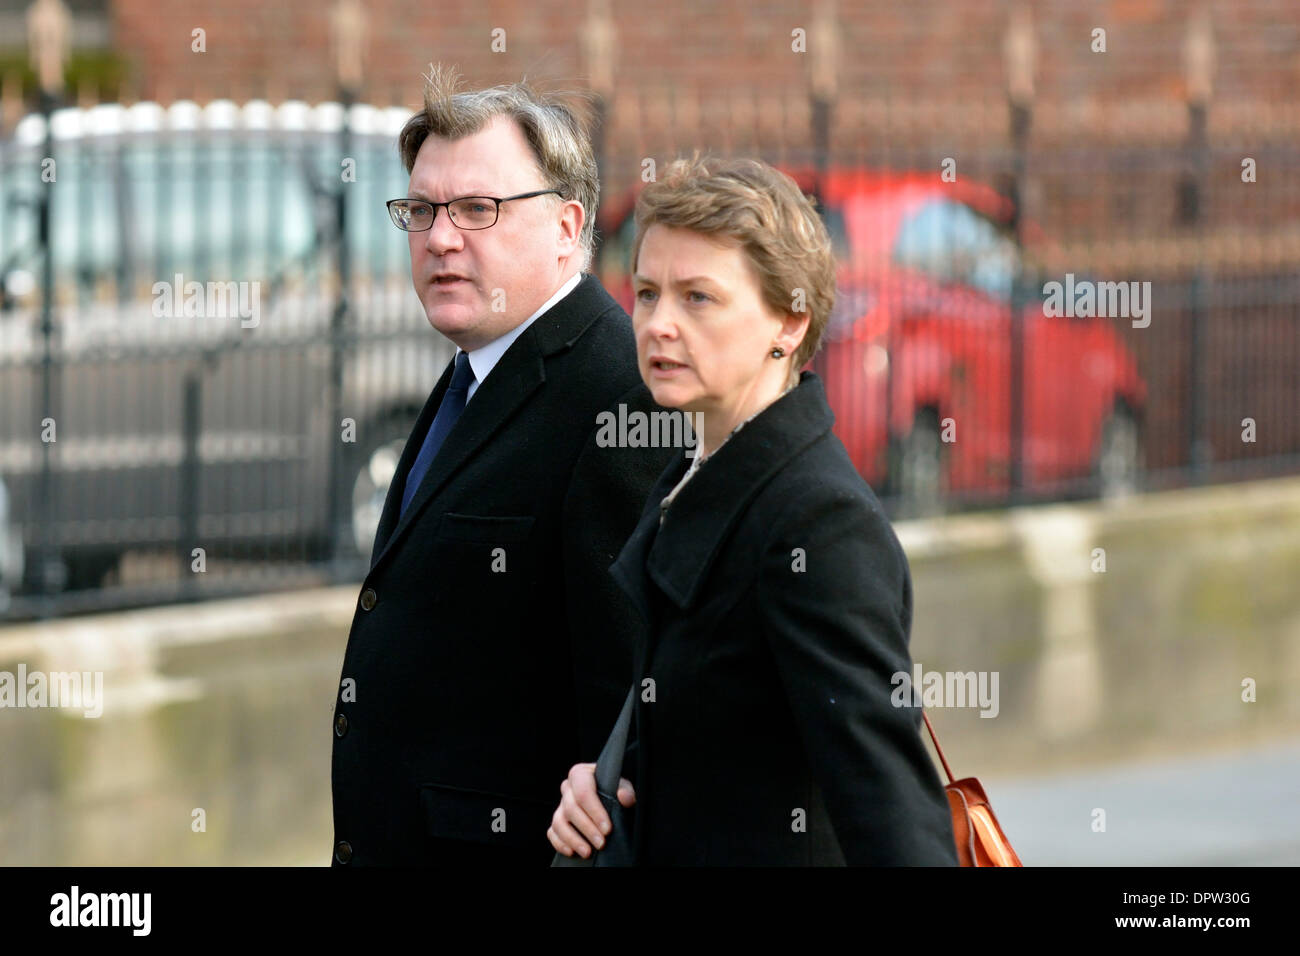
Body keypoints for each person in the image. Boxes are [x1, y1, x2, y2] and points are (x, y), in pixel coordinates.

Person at [546, 156, 959, 865]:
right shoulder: (693, 478)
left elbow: (889, 810)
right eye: (647, 294)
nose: (658, 325)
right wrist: (607, 781)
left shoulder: (816, 522)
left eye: (698, 297)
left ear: (790, 321)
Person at [330, 65, 678, 866]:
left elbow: (627, 718)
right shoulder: (476, 368)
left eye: (478, 209)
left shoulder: (618, 395)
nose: (441, 237)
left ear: (567, 227)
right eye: (421, 210)